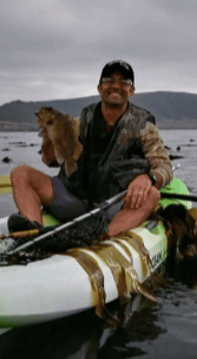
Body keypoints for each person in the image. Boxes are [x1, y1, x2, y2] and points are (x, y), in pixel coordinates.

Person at [9, 60, 173, 237]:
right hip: (75, 199)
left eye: (124, 82)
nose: (116, 86)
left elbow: (164, 167)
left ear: (131, 91)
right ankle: (33, 237)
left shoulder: (144, 125)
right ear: (100, 88)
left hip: (115, 205)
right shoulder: (79, 121)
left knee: (153, 194)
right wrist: (49, 137)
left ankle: (101, 239)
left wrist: (148, 178)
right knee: (21, 173)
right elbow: (50, 160)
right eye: (109, 80)